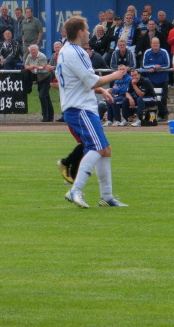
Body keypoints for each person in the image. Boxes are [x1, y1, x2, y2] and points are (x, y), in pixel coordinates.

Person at [56, 16, 127, 208]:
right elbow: (91, 80)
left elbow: (79, 82)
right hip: (80, 109)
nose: (89, 33)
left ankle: (107, 197)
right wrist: (115, 75)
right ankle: (75, 190)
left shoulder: (64, 51)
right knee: (97, 148)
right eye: (87, 30)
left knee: (105, 149)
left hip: (77, 107)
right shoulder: (77, 52)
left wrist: (101, 90)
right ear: (80, 32)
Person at [142, 37, 171, 121]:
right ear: (151, 44)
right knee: (155, 98)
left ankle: (163, 115)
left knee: (163, 98)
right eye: (153, 43)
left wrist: (160, 67)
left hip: (163, 79)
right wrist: (154, 66)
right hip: (152, 80)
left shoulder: (164, 52)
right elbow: (144, 65)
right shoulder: (147, 52)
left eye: (157, 43)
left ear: (159, 44)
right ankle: (164, 112)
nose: (155, 44)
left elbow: (168, 64)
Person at [24, 44, 54, 122]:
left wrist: (33, 66)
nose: (33, 51)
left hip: (46, 78)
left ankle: (45, 116)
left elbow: (43, 67)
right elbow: (26, 65)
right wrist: (30, 68)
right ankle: (50, 117)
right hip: (38, 79)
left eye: (34, 50)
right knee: (46, 97)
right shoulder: (29, 56)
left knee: (42, 96)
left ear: (37, 50)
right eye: (31, 50)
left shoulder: (42, 56)